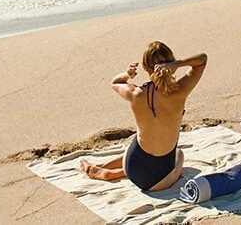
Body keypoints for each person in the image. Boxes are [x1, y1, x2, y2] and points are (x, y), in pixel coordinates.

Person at [79, 41, 208, 191]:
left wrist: (128, 74)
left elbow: (115, 82)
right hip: (158, 181)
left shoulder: (134, 93)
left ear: (146, 67)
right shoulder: (180, 91)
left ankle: (103, 168)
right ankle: (110, 173)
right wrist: (177, 64)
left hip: (132, 164)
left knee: (143, 143)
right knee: (179, 154)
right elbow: (202, 60)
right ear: (170, 64)